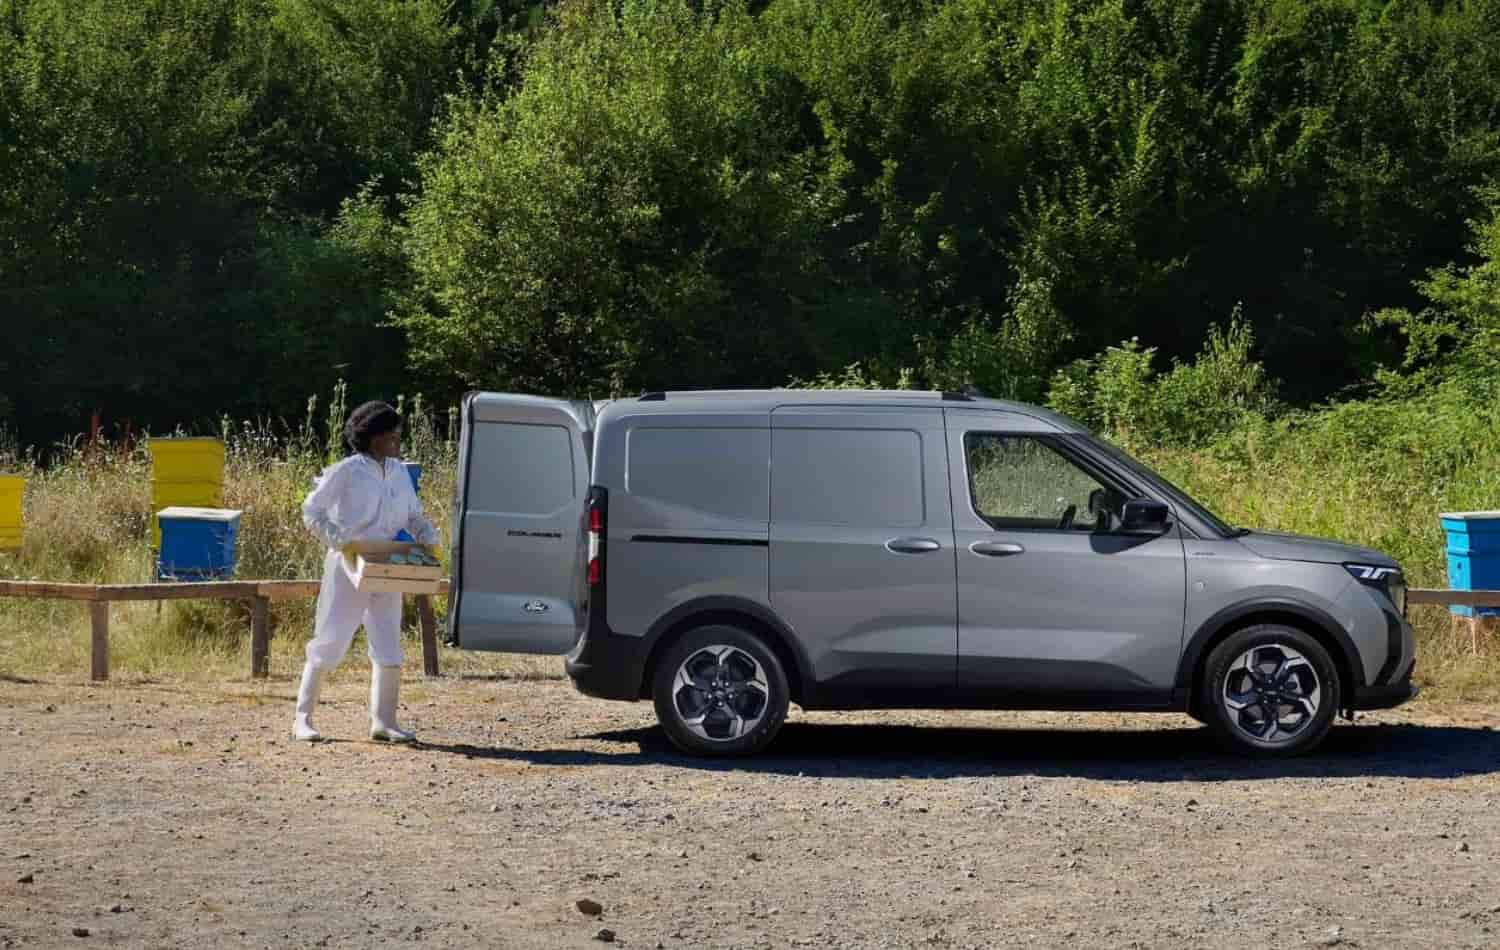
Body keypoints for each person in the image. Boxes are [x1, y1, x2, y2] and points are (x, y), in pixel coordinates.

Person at [292, 401, 439, 743]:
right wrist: (343, 543)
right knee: (331, 639)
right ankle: (303, 718)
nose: (399, 440)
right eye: (394, 434)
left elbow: (413, 515)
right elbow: (312, 511)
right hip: (348, 564)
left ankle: (384, 721)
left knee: (388, 642)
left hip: (389, 563)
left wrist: (428, 536)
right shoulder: (346, 471)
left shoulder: (400, 471)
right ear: (375, 438)